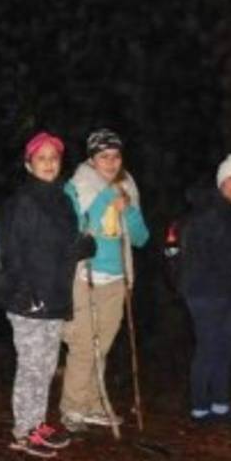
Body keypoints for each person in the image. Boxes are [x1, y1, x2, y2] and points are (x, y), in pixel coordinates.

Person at [0, 132, 95, 458]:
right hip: (29, 298)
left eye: (54, 158)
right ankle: (23, 432)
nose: (49, 163)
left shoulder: (63, 201)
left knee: (47, 365)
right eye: (42, 158)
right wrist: (23, 292)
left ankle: (37, 423)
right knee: (31, 366)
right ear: (29, 164)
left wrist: (81, 247)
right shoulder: (23, 201)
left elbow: (59, 249)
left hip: (54, 296)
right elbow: (13, 251)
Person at [59, 129, 150, 432]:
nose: (110, 163)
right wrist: (98, 209)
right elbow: (72, 229)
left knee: (102, 345)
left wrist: (129, 210)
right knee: (84, 344)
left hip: (116, 279)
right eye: (103, 157)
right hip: (83, 276)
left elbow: (140, 238)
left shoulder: (127, 187)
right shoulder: (76, 188)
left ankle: (94, 405)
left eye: (115, 156)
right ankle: (72, 408)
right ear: (92, 159)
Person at [177, 153, 231, 424]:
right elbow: (200, 255)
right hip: (205, 292)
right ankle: (200, 406)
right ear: (222, 183)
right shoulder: (207, 214)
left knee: (227, 348)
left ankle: (221, 404)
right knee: (209, 347)